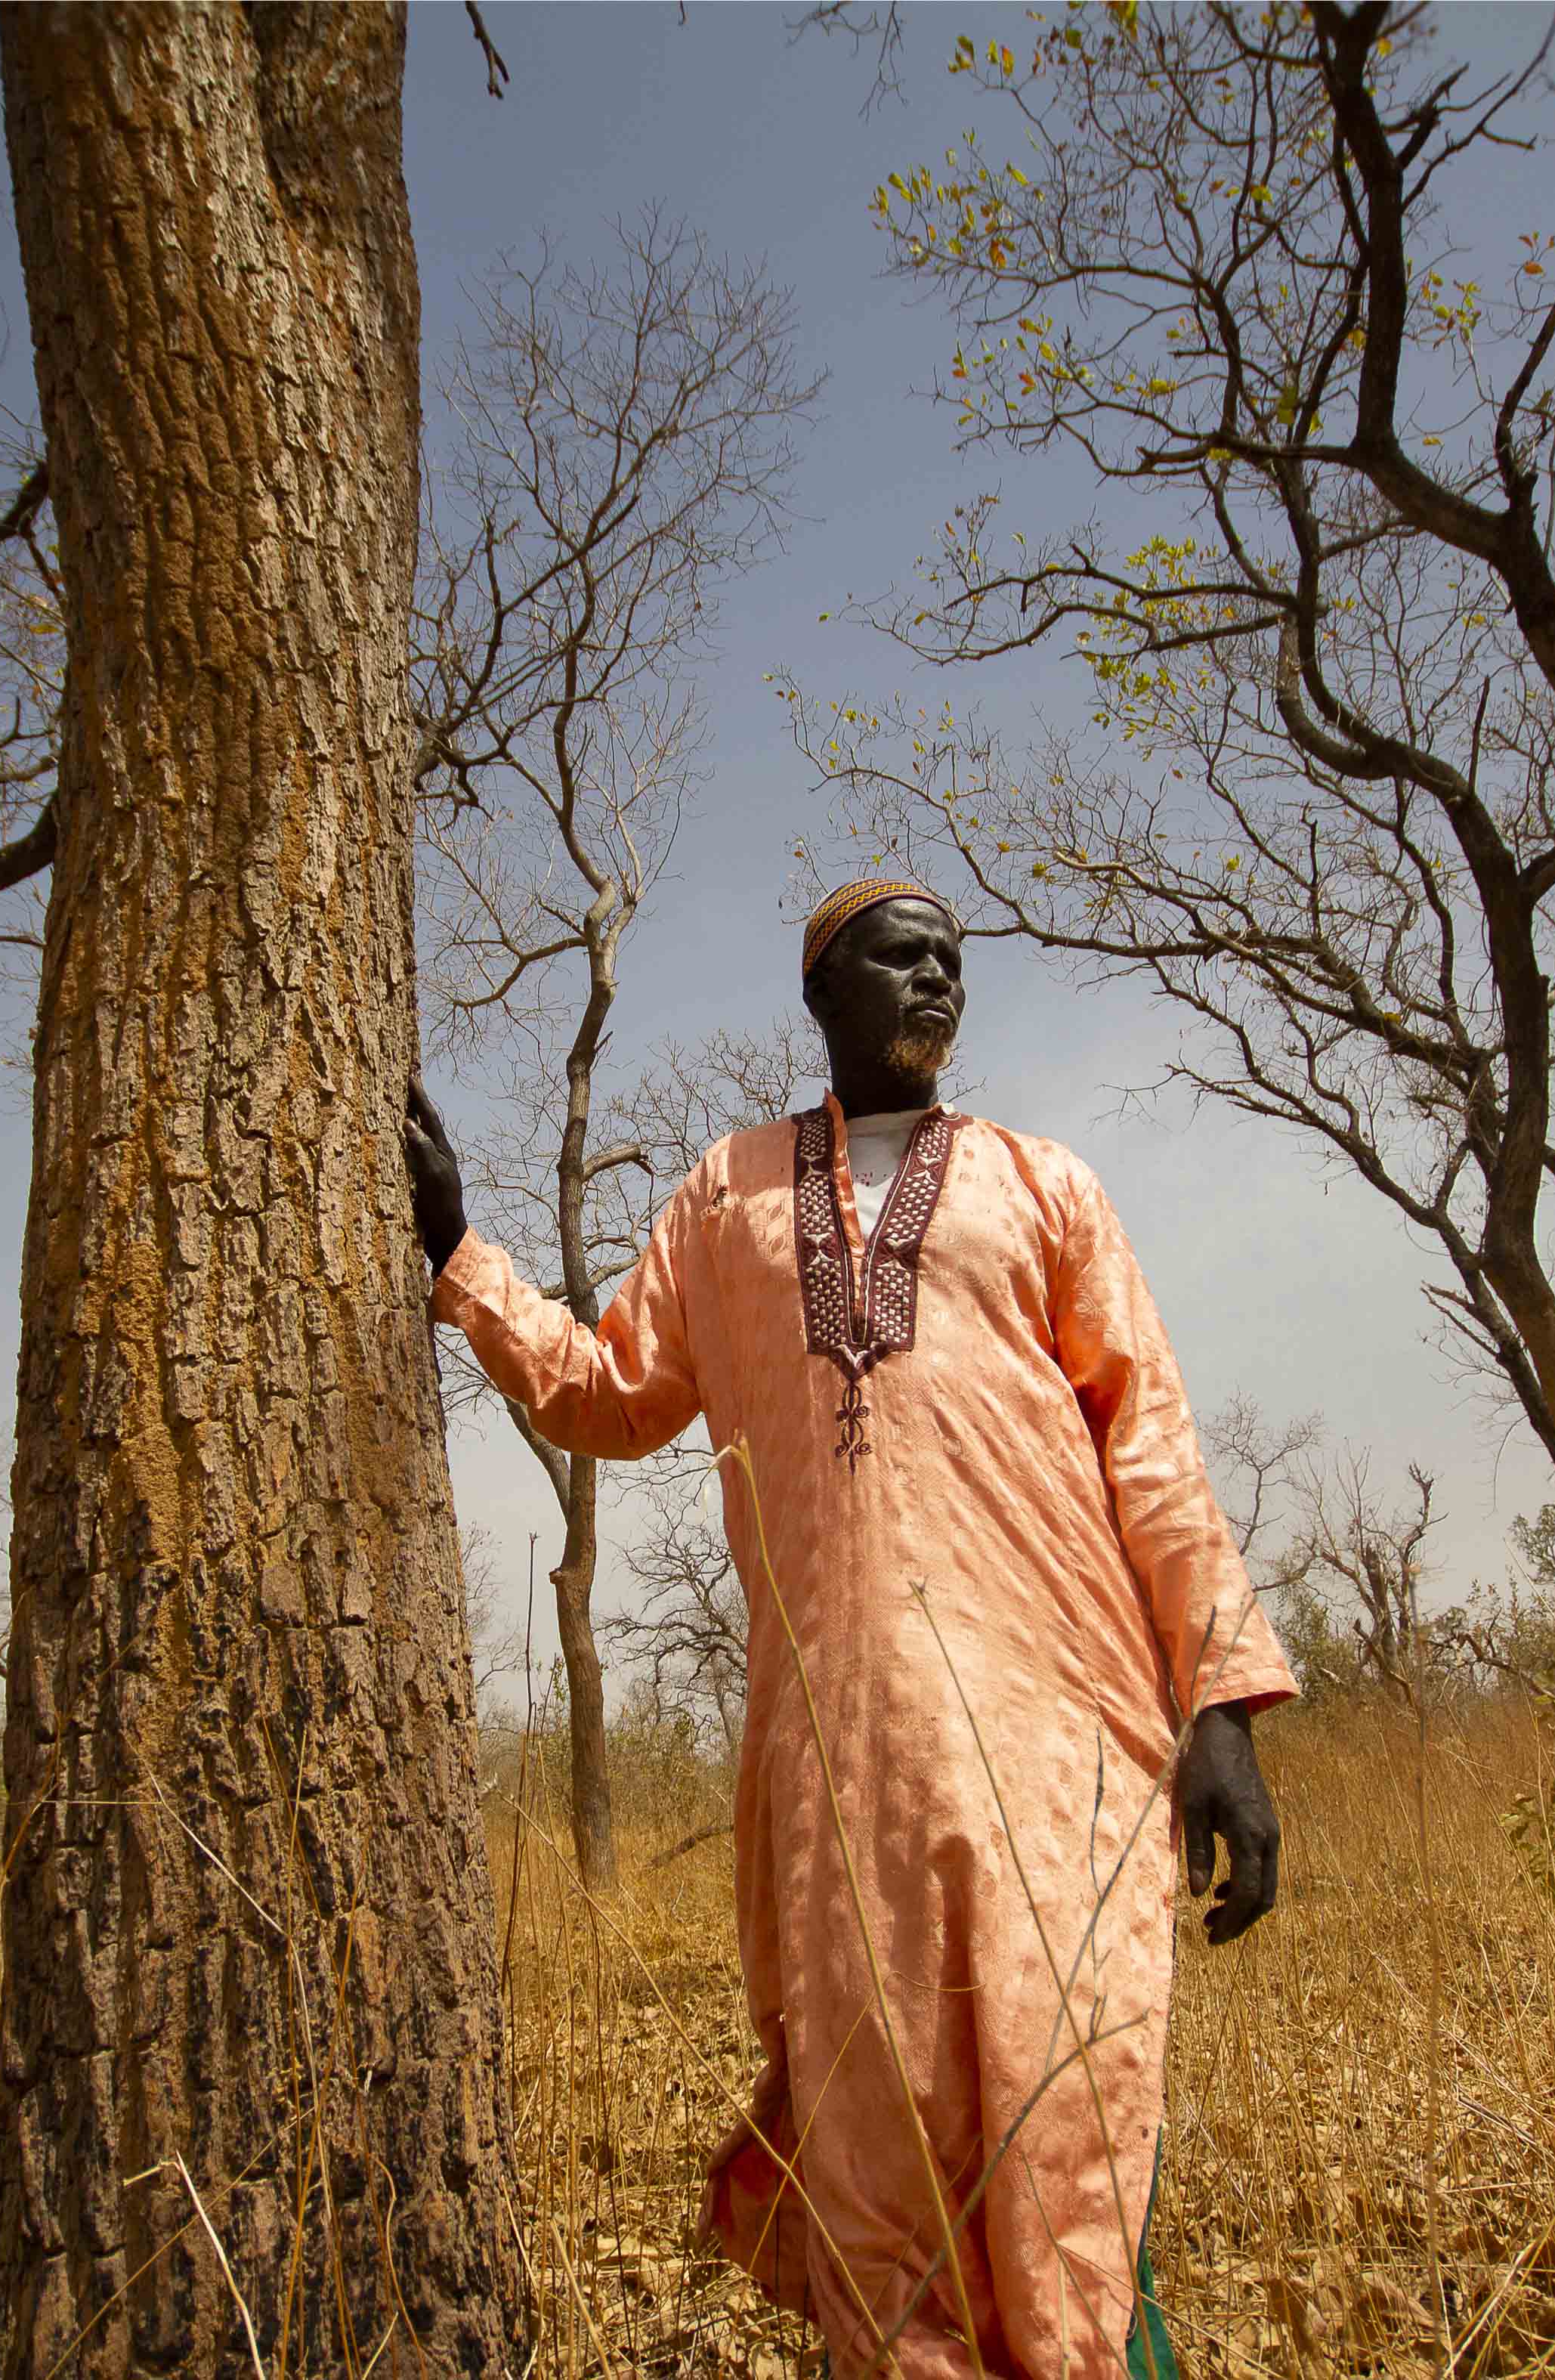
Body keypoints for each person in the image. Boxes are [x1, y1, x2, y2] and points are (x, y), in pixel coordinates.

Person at [403, 879, 1294, 2378]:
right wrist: (457, 1252)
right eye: (900, 955)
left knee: (1062, 2104)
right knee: (875, 2135)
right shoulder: (730, 1195)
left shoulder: (1044, 1185)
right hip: (838, 1765)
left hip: (1062, 1745)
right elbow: (612, 1393)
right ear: (822, 990)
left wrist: (1219, 1712)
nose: (937, 976)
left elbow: (1150, 1444)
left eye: (952, 958)